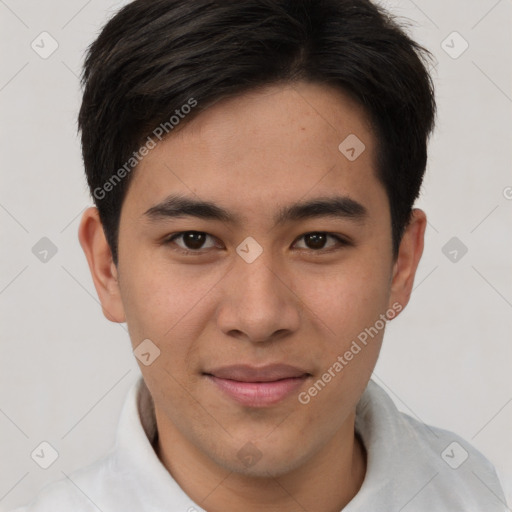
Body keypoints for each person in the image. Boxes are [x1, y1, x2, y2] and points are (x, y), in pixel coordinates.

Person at [10, 0, 508, 510]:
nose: (259, 316)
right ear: (106, 266)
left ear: (401, 262)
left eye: (317, 240)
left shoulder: (478, 493)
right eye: (194, 240)